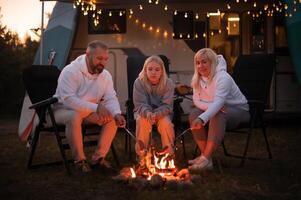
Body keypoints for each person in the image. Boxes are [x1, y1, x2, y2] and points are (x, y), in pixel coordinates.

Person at [53, 40, 126, 172]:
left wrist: (116, 113)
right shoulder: (70, 71)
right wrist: (96, 107)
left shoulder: (105, 76)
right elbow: (68, 100)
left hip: (87, 111)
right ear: (87, 55)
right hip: (62, 110)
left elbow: (110, 97)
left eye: (105, 59)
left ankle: (98, 158)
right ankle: (79, 160)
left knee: (111, 119)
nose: (102, 62)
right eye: (99, 58)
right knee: (74, 116)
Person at [188, 48, 250, 171]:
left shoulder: (223, 77)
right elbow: (197, 101)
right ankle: (206, 158)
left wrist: (204, 116)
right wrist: (205, 113)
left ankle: (205, 158)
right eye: (198, 63)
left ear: (212, 62)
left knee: (217, 114)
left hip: (238, 110)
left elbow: (219, 102)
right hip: (218, 108)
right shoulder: (197, 79)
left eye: (204, 62)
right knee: (194, 114)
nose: (200, 66)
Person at [133, 55, 175, 160]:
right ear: (145, 70)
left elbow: (167, 105)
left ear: (162, 71)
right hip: (144, 113)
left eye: (157, 69)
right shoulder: (139, 82)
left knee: (165, 123)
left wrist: (156, 114)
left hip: (162, 113)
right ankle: (142, 154)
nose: (153, 72)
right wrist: (148, 114)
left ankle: (168, 154)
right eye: (150, 69)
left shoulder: (168, 83)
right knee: (142, 121)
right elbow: (140, 104)